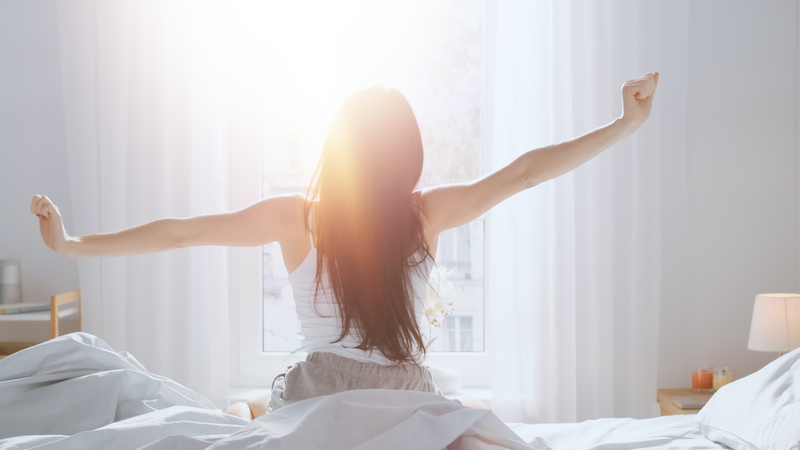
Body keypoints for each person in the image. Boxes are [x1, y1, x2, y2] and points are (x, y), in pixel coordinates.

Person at [31, 73, 658, 420]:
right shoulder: (425, 214)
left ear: (339, 151)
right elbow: (525, 173)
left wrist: (73, 244)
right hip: (404, 399)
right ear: (407, 155)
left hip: (318, 395)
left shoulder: (296, 219)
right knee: (246, 408)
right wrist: (625, 123)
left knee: (243, 410)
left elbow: (179, 233)